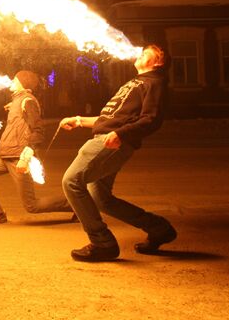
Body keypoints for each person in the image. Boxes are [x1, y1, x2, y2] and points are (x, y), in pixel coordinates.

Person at [60, 44, 176, 261]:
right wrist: (78, 120)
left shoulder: (155, 82)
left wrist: (121, 134)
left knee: (71, 181)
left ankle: (102, 242)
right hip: (108, 137)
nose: (139, 53)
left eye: (146, 52)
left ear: (158, 61)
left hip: (110, 142)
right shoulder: (135, 82)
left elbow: (151, 119)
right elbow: (110, 119)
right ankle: (159, 228)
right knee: (101, 199)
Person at [0, 70, 72, 227]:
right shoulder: (19, 100)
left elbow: (38, 130)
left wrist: (27, 154)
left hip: (19, 157)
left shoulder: (28, 101)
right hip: (5, 154)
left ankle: (77, 205)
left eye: (15, 79)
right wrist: (13, 107)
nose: (12, 80)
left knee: (32, 206)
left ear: (23, 83)